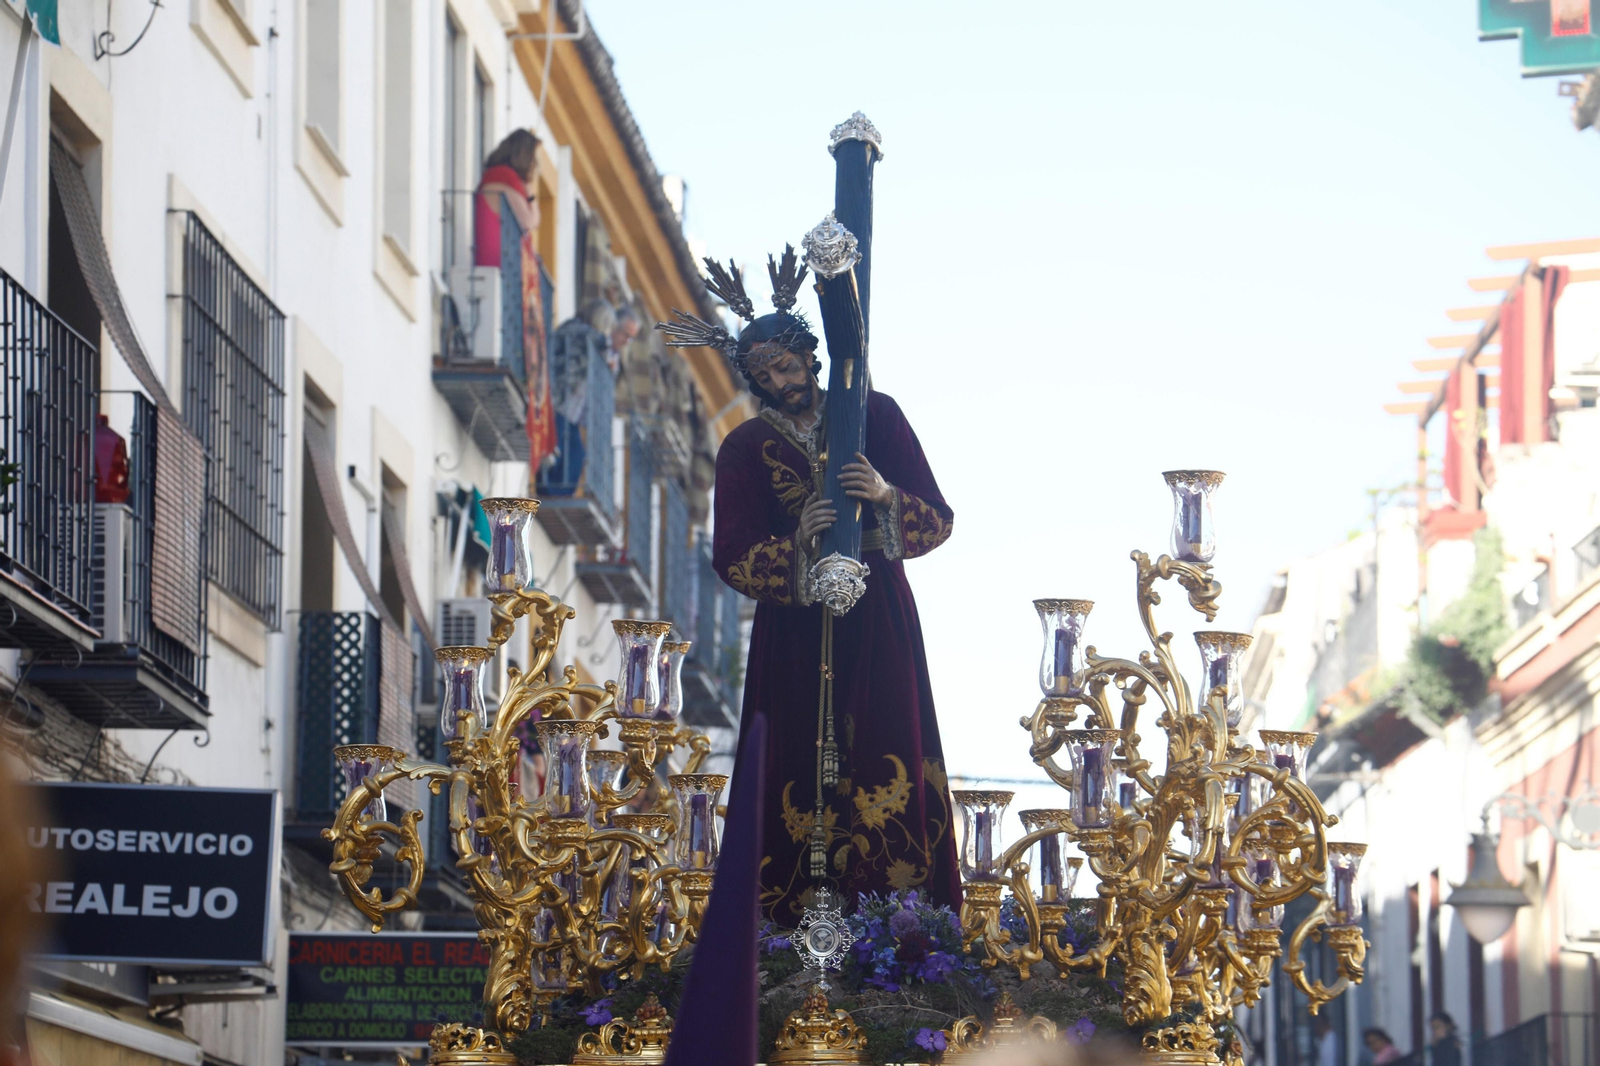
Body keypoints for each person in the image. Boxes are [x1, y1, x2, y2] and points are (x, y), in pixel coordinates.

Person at [708, 303, 958, 922]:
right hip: (792, 632)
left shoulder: (876, 415)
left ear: (810, 357)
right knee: (791, 758)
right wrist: (797, 549)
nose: (782, 384)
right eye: (765, 378)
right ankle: (784, 928)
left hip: (879, 616)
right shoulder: (744, 448)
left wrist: (882, 495)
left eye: (787, 367)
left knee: (887, 739)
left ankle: (897, 923)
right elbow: (731, 554)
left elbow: (937, 518)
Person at [474, 129, 554, 472]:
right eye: (533, 160)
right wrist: (533, 192)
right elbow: (530, 221)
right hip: (500, 265)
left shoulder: (496, 177)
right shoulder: (506, 178)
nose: (535, 167)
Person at [544, 300, 633, 494]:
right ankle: (549, 492)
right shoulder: (580, 331)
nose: (607, 332)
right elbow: (593, 342)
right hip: (559, 405)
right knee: (568, 454)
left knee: (575, 456)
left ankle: (554, 495)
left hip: (571, 414)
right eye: (608, 325)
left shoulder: (593, 341)